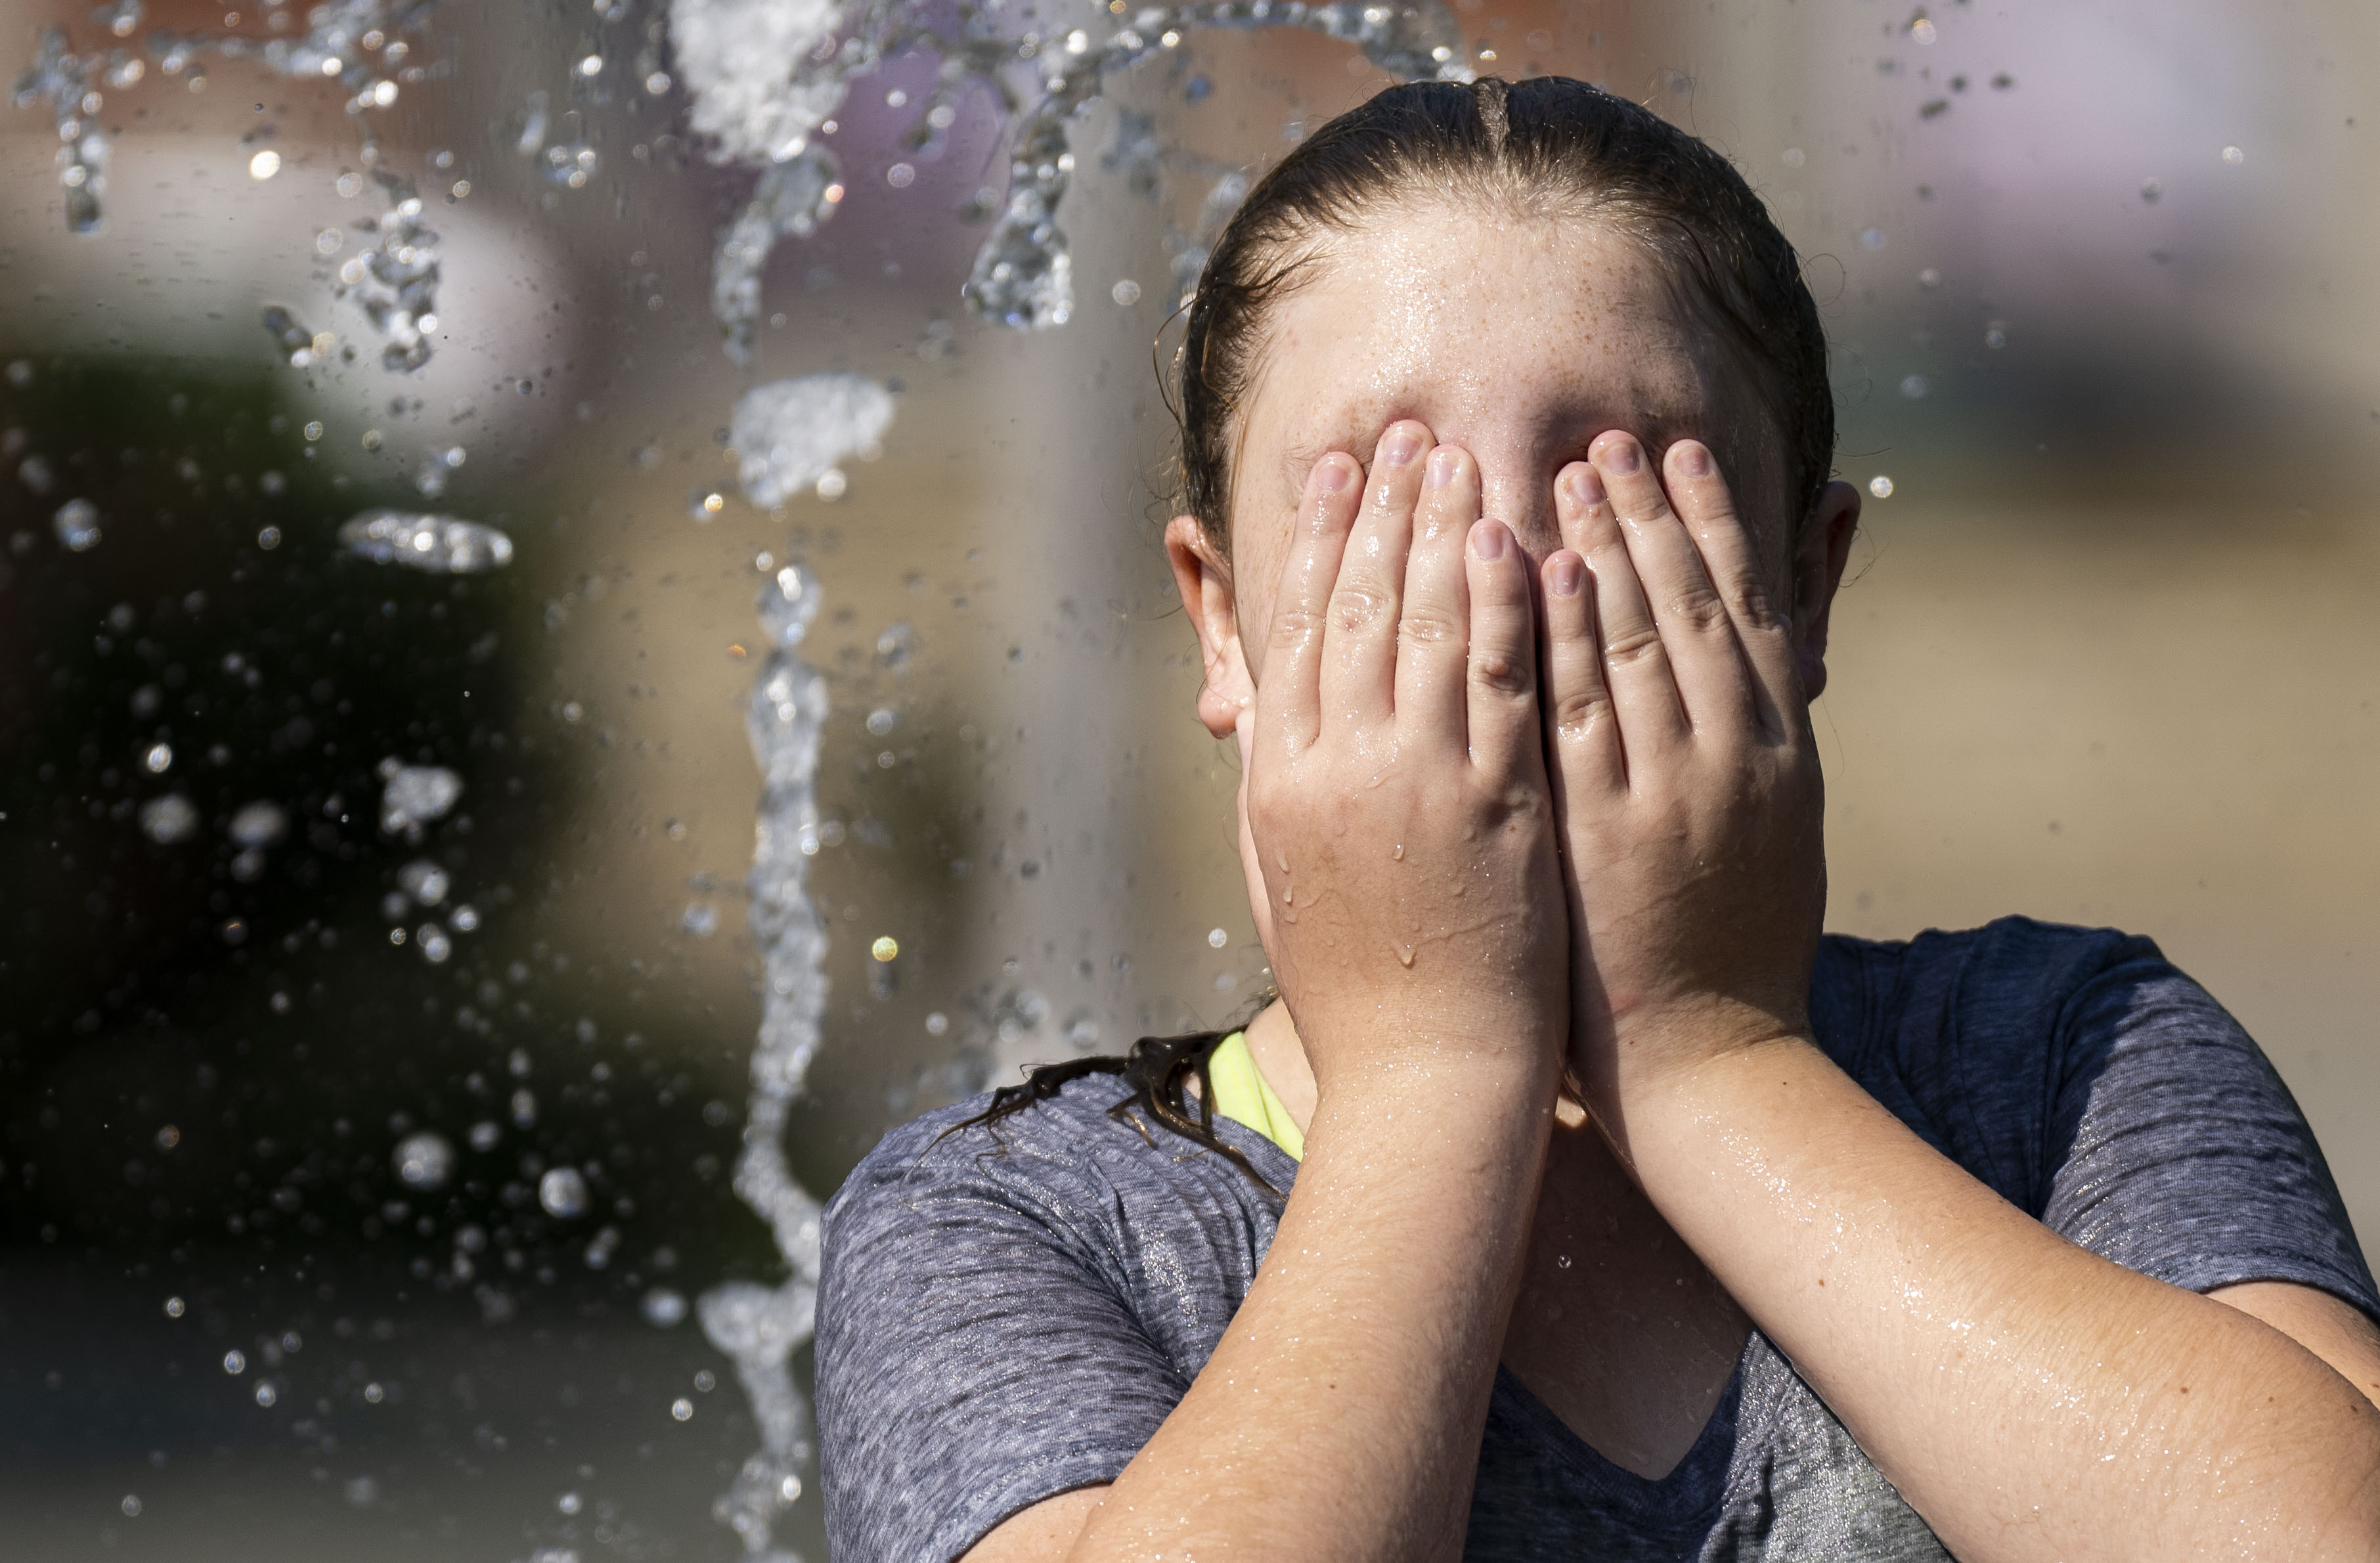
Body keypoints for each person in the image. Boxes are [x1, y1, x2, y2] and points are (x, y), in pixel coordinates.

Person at [812, 77, 2380, 1561]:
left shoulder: (2064, 1058)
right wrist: (1435, 1072)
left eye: (1605, 484)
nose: (1499, 582)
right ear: (1221, 619)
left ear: (1801, 579)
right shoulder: (1011, 1218)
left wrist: (1709, 1054)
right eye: (1386, 495)